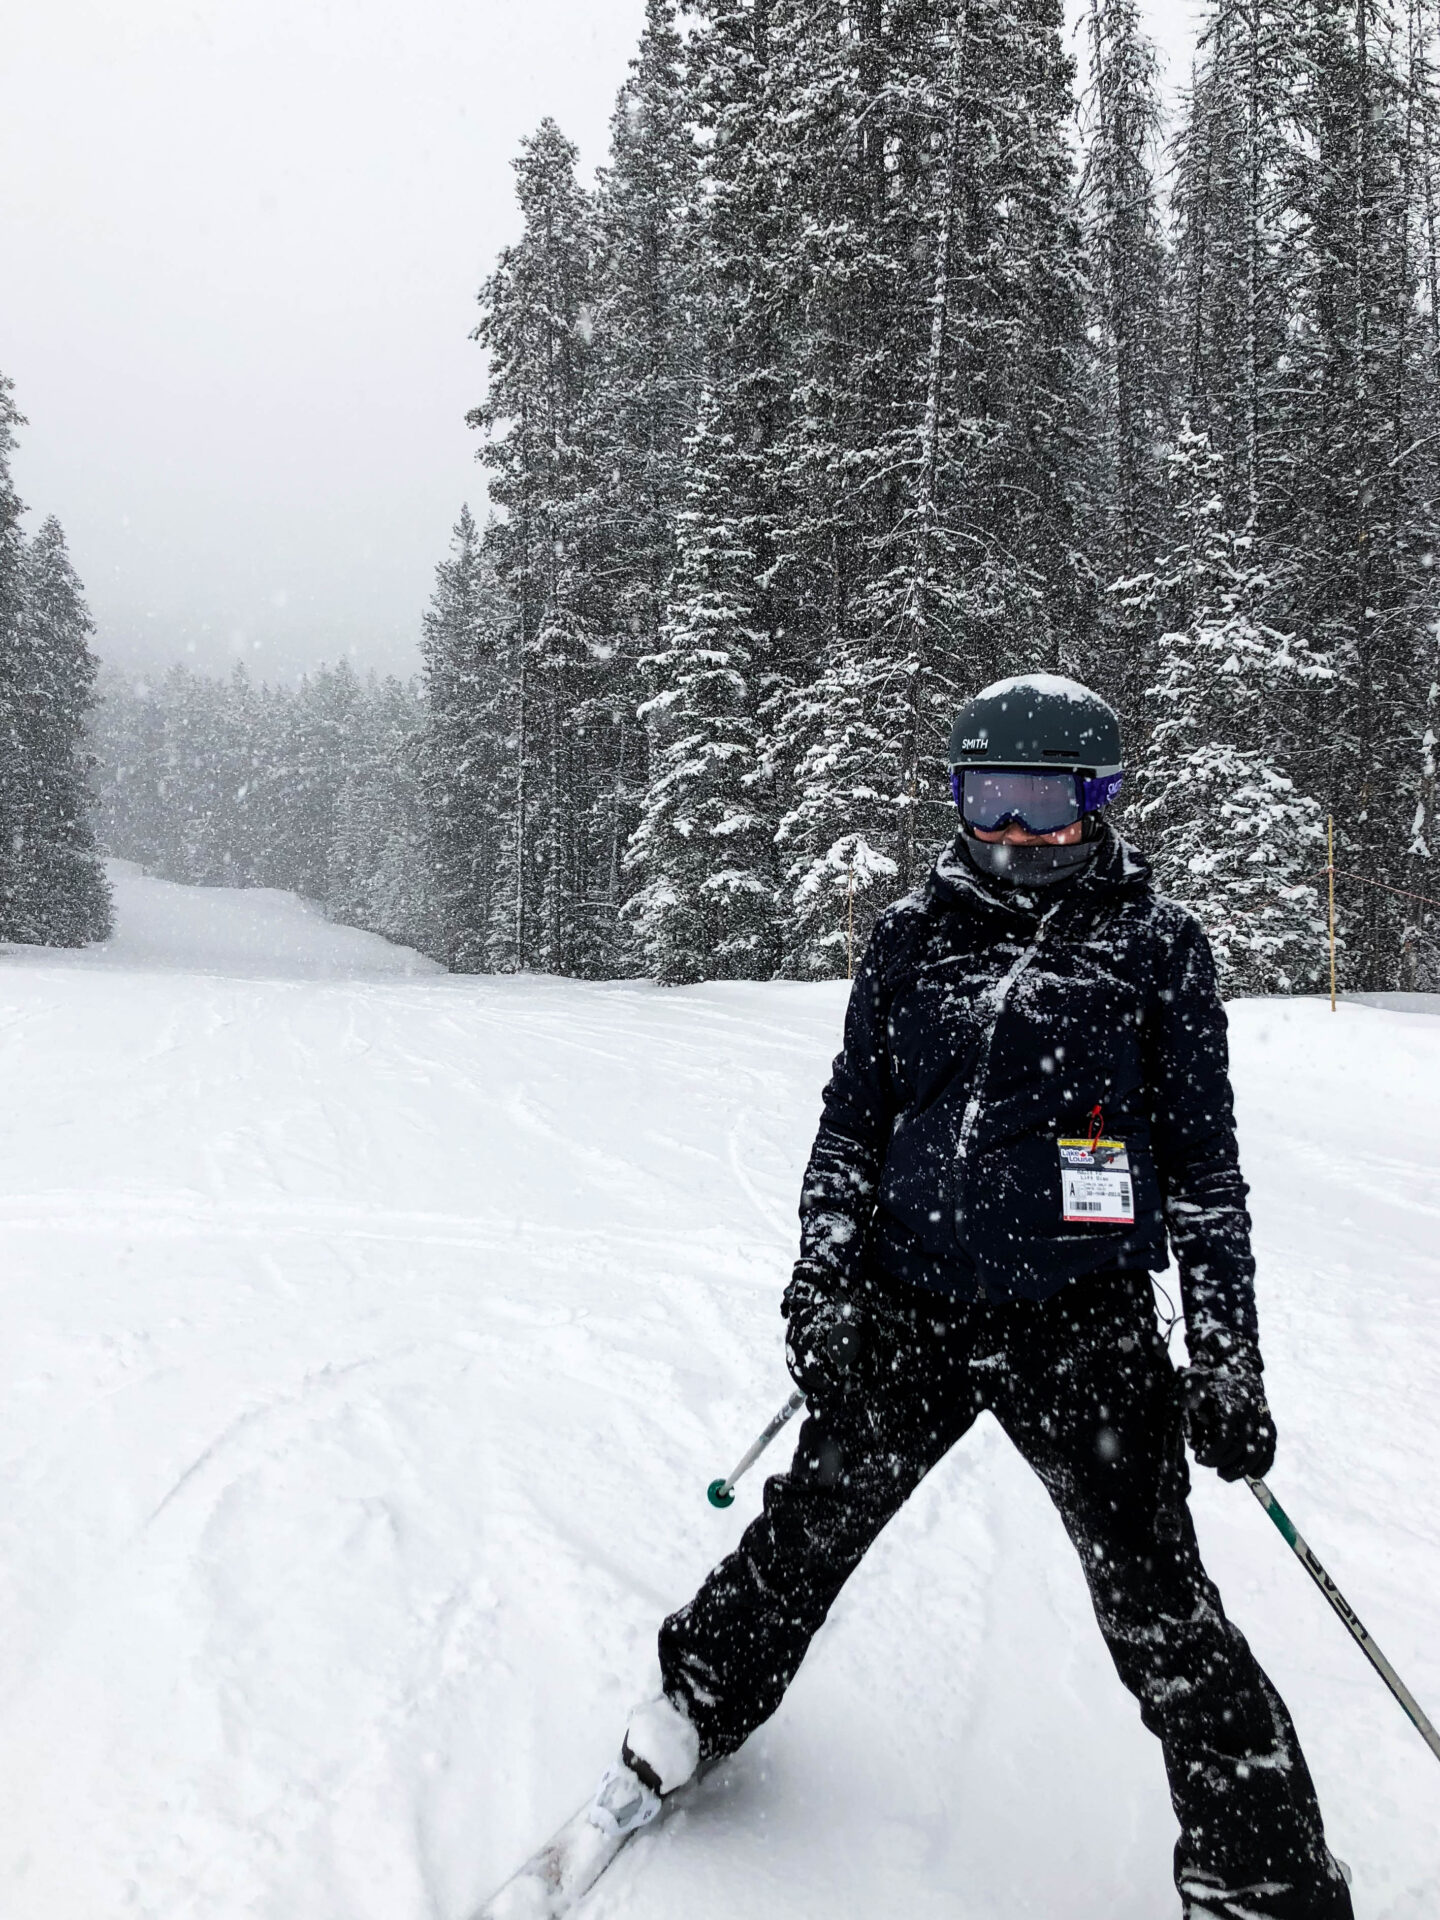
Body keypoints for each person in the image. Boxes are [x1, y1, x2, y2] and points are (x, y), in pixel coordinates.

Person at [599, 675, 1353, 1920]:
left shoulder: (1154, 950)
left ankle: (1262, 1875)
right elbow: (850, 1130)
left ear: (1096, 802)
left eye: (1043, 802)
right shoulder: (910, 939)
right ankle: (689, 1710)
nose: (1011, 831)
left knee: (1158, 1608)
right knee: (809, 1534)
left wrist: (1226, 1358)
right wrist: (822, 1284)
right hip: (912, 1308)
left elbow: (1209, 1177)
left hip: (1084, 1324)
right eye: (985, 798)